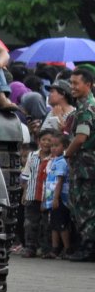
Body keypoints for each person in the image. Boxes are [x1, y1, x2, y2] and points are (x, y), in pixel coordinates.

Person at [63, 67, 95, 261]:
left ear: (88, 85)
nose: (72, 87)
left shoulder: (86, 108)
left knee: (85, 206)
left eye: (76, 83)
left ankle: (88, 247)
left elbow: (81, 137)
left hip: (85, 165)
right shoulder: (85, 106)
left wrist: (67, 153)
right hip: (86, 164)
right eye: (71, 83)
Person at [19, 129, 57, 258]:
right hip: (32, 193)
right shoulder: (32, 156)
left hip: (47, 196)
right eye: (43, 140)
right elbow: (26, 175)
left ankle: (46, 248)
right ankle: (30, 247)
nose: (46, 143)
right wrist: (24, 193)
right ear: (38, 141)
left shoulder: (55, 157)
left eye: (49, 140)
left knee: (47, 223)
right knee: (30, 223)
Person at [43, 132, 73, 258]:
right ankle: (55, 249)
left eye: (57, 145)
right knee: (54, 224)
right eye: (52, 146)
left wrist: (56, 198)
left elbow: (59, 181)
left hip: (59, 198)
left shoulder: (62, 162)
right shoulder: (53, 161)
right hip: (52, 198)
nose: (53, 148)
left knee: (61, 225)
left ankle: (67, 249)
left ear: (65, 147)